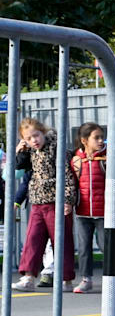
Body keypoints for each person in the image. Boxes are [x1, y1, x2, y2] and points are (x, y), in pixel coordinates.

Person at [13, 117, 75, 291]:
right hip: (38, 201)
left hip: (57, 201)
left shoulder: (56, 147)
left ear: (43, 132)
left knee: (61, 240)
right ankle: (28, 277)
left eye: (36, 135)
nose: (34, 140)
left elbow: (67, 174)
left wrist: (68, 200)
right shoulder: (31, 151)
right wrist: (20, 151)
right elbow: (19, 168)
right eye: (29, 138)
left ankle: (66, 279)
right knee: (33, 239)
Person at [68, 122, 108, 293]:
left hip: (104, 211)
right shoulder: (77, 160)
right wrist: (69, 203)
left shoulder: (108, 157)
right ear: (84, 140)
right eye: (96, 138)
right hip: (83, 212)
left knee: (106, 245)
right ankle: (86, 279)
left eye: (102, 137)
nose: (101, 141)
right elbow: (72, 184)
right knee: (84, 247)